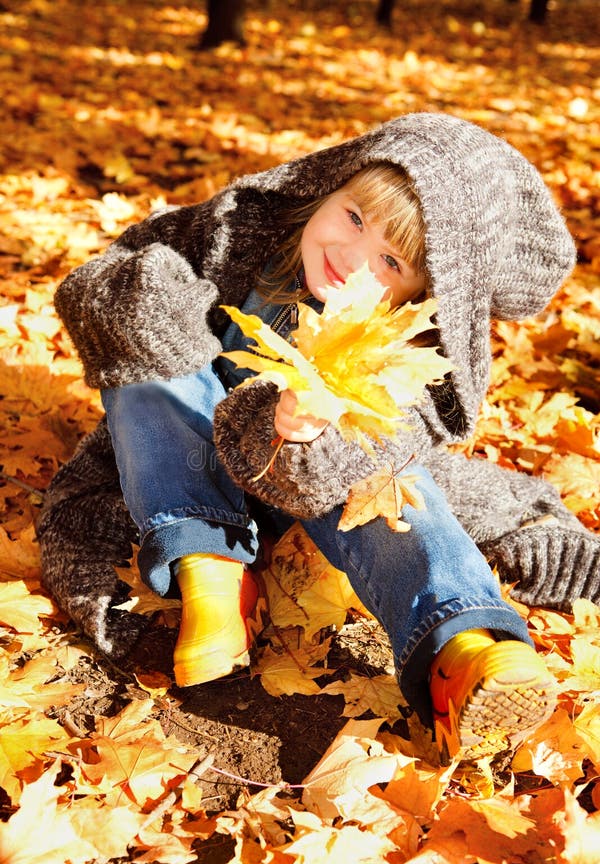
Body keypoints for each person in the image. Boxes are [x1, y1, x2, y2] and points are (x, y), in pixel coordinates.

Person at [38, 113, 600, 763]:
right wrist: (154, 306)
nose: (350, 256)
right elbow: (111, 283)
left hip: (297, 481)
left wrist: (305, 439)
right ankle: (212, 574)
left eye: (390, 261)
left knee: (394, 491)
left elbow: (374, 459)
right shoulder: (240, 240)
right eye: (354, 217)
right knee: (146, 376)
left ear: (424, 294)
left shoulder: (406, 357)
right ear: (326, 186)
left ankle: (462, 645)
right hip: (182, 458)